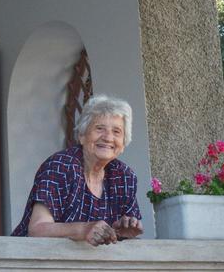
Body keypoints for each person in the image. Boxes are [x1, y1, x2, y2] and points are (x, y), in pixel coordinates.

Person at [12, 94, 143, 245]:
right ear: (82, 135)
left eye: (117, 131)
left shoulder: (125, 177)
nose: (108, 137)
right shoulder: (60, 166)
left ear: (123, 143)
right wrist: (84, 230)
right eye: (99, 128)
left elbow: (125, 236)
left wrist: (123, 231)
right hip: (33, 260)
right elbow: (37, 229)